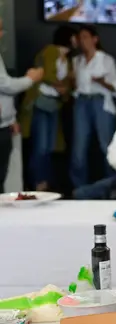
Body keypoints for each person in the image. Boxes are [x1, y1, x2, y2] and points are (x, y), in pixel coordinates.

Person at [18, 24, 75, 192]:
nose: (77, 41)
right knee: (41, 146)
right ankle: (38, 183)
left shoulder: (68, 59)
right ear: (68, 37)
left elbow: (68, 84)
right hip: (41, 102)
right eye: (75, 37)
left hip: (54, 105)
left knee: (50, 147)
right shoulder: (50, 51)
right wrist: (61, 86)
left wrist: (65, 88)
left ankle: (45, 183)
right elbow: (48, 74)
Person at [70, 25, 116, 189]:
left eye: (86, 37)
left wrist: (101, 82)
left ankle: (113, 185)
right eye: (80, 38)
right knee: (79, 146)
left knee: (106, 145)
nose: (82, 41)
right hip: (81, 101)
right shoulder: (76, 61)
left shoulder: (106, 59)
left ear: (95, 39)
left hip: (100, 101)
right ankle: (80, 188)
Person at [0, 18, 44, 193]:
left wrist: (11, 118)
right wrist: (31, 79)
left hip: (3, 126)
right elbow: (6, 86)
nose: (2, 34)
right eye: (0, 29)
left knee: (2, 175)